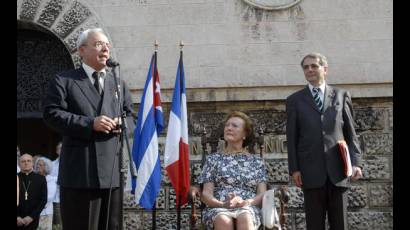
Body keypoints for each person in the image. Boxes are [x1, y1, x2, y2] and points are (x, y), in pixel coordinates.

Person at [42, 28, 134, 230]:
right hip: (80, 174)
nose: (105, 48)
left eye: (107, 44)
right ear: (81, 50)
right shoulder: (65, 81)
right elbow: (52, 114)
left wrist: (121, 122)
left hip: (111, 173)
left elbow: (130, 117)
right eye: (99, 44)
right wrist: (90, 123)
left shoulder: (117, 83)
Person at [286, 53, 363, 230]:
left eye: (314, 66)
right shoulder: (294, 101)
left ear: (325, 69)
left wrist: (357, 163)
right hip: (310, 171)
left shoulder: (341, 95)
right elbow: (292, 138)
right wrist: (295, 168)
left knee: (340, 224)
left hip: (339, 169)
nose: (310, 70)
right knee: (314, 224)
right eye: (306, 67)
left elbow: (351, 133)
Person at [198, 111, 267, 230]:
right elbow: (206, 194)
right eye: (227, 125)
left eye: (234, 126)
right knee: (223, 219)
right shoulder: (213, 159)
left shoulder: (256, 161)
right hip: (219, 207)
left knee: (245, 216)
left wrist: (247, 202)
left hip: (248, 207)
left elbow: (262, 193)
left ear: (244, 134)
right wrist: (223, 204)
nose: (229, 128)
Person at [17, 153, 47, 230]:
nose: (26, 163)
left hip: (33, 220)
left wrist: (31, 217)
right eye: (23, 161)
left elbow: (43, 200)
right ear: (19, 164)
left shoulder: (41, 179)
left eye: (29, 161)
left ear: (33, 163)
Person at [34, 156, 57, 230]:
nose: (37, 166)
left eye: (40, 165)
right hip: (32, 212)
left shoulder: (51, 180)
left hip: (45, 212)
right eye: (37, 164)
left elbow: (49, 196)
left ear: (46, 167)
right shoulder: (33, 178)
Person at [50, 142, 62, 228]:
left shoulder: (71, 164)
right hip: (53, 198)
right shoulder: (51, 164)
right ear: (57, 151)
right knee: (54, 224)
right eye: (60, 149)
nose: (62, 150)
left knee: (60, 224)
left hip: (65, 198)